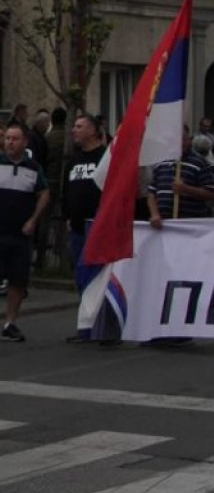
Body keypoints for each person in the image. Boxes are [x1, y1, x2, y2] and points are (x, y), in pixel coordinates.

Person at [0, 120, 49, 342]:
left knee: (18, 280)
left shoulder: (33, 168)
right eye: (8, 138)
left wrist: (33, 219)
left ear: (25, 142)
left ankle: (10, 323)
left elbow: (44, 193)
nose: (10, 143)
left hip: (20, 234)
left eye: (15, 139)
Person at [63, 112, 106, 342]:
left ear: (93, 130)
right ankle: (86, 324)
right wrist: (67, 216)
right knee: (81, 276)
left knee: (98, 277)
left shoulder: (105, 157)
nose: (74, 130)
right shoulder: (74, 159)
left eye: (79, 126)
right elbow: (67, 189)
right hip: (78, 227)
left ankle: (102, 324)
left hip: (98, 227)